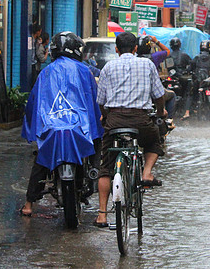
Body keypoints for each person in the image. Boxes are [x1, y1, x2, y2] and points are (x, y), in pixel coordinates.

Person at [20, 32, 103, 216]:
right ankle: (94, 173)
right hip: (79, 127)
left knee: (42, 159)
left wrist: (32, 123)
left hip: (52, 127)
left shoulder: (46, 72)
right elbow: (95, 100)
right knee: (97, 140)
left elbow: (33, 102)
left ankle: (28, 204)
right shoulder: (84, 71)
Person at [95, 32, 167, 227]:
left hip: (115, 121)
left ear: (116, 49)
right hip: (141, 120)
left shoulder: (108, 67)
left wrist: (106, 117)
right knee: (154, 142)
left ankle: (102, 214)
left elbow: (100, 101)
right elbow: (159, 94)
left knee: (105, 168)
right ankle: (146, 173)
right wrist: (161, 113)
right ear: (135, 48)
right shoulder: (147, 64)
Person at [183, 40, 210, 120]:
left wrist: (189, 71)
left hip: (198, 81)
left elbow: (190, 68)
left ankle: (187, 112)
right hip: (209, 82)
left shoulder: (197, 57)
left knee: (190, 94)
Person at [169, 37, 193, 119]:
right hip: (182, 78)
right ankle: (187, 110)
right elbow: (191, 64)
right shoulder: (184, 55)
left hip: (173, 78)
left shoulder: (169, 55)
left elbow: (166, 67)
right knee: (188, 93)